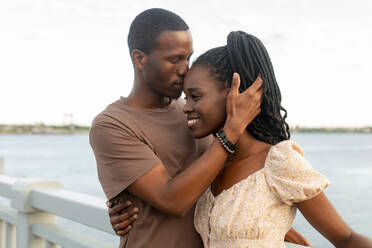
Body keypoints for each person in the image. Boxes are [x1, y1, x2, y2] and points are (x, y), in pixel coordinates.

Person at [90, 8, 308, 248]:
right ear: (139, 59)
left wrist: (269, 221)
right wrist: (231, 132)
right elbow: (172, 201)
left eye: (187, 57)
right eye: (174, 59)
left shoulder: (195, 113)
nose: (184, 69)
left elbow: (231, 180)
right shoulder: (112, 124)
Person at [181, 31, 372, 247]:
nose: (186, 107)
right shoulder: (211, 161)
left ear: (234, 93)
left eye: (195, 96)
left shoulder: (278, 161)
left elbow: (346, 238)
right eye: (185, 98)